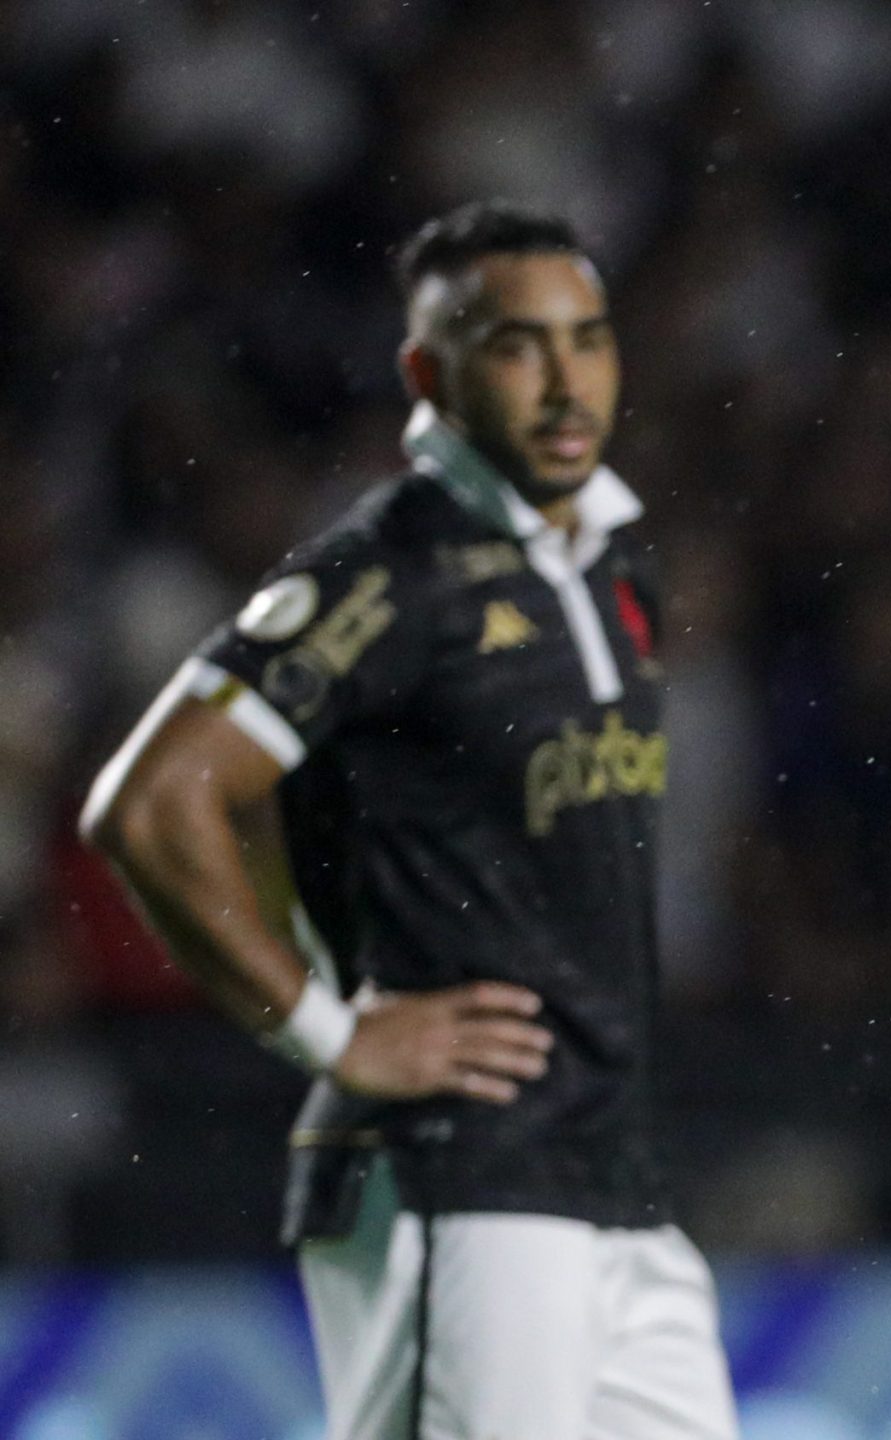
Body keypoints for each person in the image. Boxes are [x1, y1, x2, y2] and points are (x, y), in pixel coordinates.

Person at [82, 201, 738, 1440]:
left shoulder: (613, 563)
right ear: (427, 374)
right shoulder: (387, 570)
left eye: (587, 339)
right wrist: (332, 1035)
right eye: (514, 345)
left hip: (619, 1184)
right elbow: (155, 802)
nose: (563, 380)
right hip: (461, 1176)